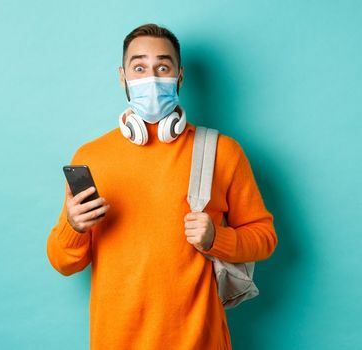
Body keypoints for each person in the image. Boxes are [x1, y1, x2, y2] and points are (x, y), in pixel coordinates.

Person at [45, 23, 278, 350]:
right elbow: (63, 262)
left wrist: (217, 239)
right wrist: (74, 226)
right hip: (115, 340)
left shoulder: (221, 151)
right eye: (139, 67)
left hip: (200, 341)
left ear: (179, 77)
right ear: (122, 77)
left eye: (162, 67)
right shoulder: (91, 156)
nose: (151, 78)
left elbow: (265, 238)